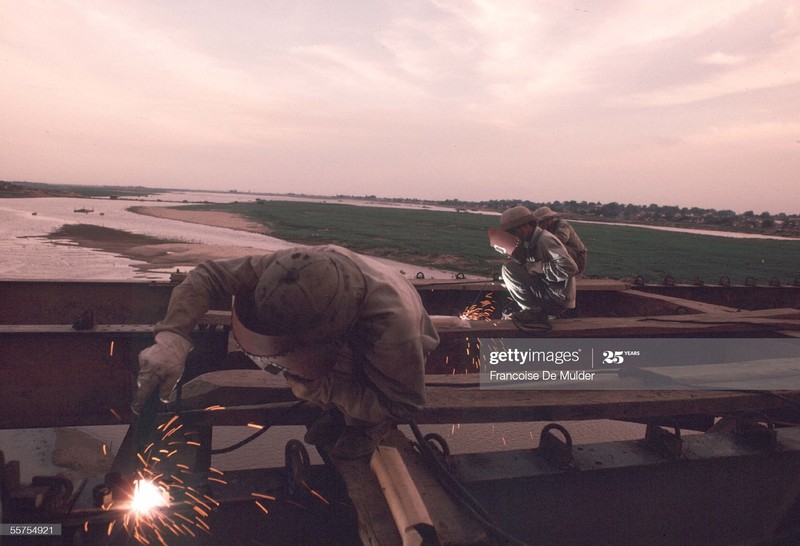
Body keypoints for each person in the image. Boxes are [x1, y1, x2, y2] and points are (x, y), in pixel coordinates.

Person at [133, 245, 440, 459]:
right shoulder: (290, 267)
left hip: (398, 340)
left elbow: (404, 404)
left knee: (360, 398)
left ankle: (366, 424)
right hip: (355, 296)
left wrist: (328, 389)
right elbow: (208, 275)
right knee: (306, 373)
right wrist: (173, 335)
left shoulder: (393, 330)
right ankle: (338, 406)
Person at [496, 205, 579, 321]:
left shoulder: (545, 240)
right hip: (551, 293)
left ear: (525, 226)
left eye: (514, 232)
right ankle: (533, 310)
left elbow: (569, 268)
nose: (514, 236)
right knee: (513, 265)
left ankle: (532, 312)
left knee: (508, 268)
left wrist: (535, 267)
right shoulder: (532, 241)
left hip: (556, 300)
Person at [532, 206, 588, 275]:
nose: (538, 225)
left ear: (549, 219)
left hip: (578, 258)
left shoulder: (562, 225)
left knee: (550, 245)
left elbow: (561, 238)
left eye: (540, 222)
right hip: (571, 257)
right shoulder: (546, 230)